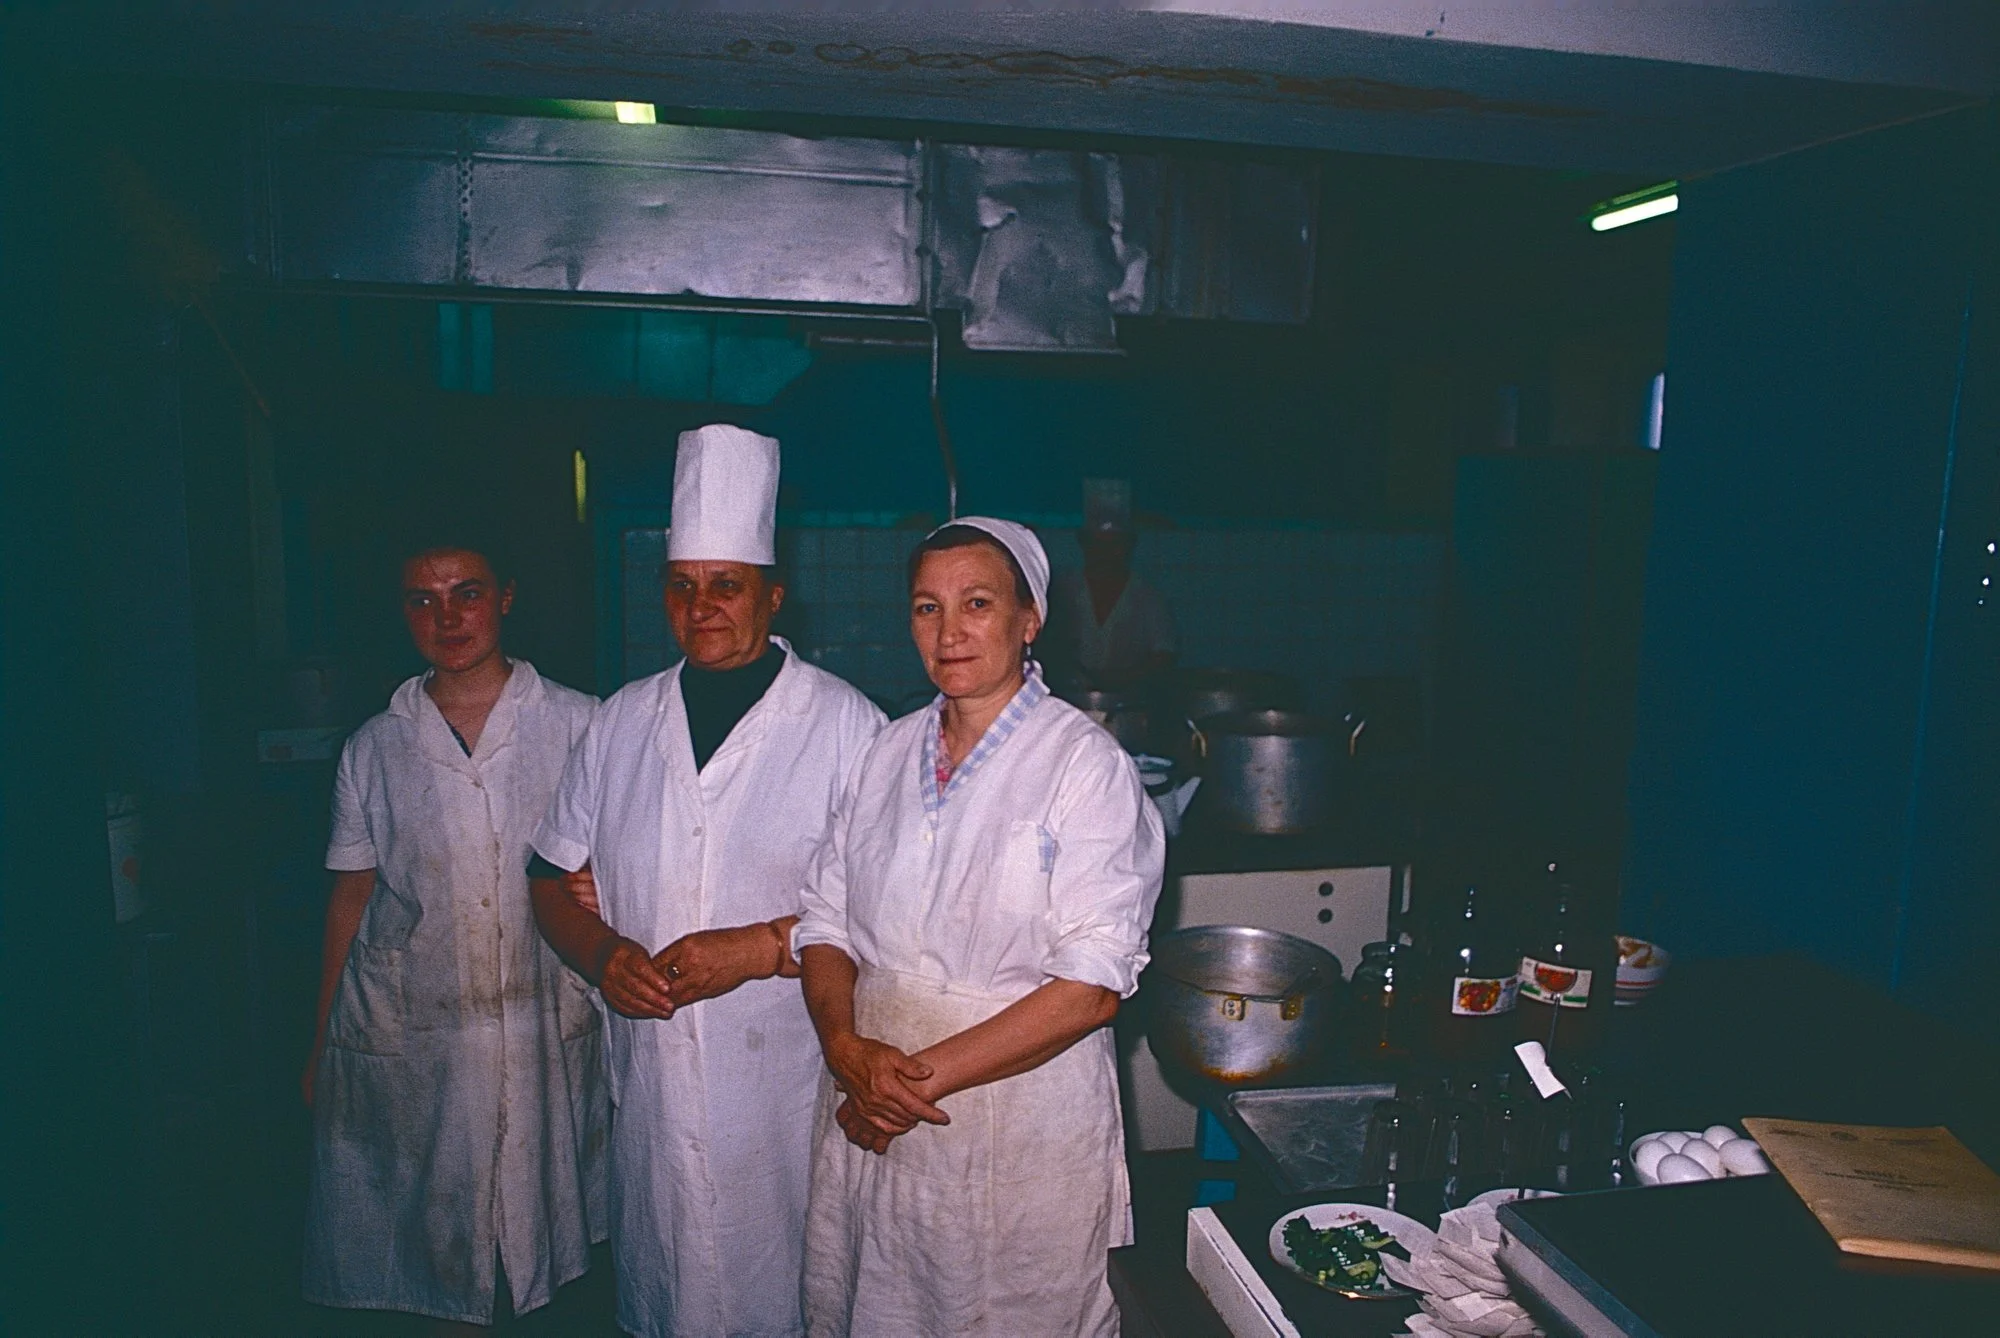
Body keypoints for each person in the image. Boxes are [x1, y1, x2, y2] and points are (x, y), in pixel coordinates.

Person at [529, 424, 884, 1338]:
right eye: (681, 586)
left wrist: (759, 949)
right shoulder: (619, 724)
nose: (702, 608)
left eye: (726, 585)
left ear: (773, 594)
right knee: (667, 1298)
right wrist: (601, 954)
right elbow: (548, 880)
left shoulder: (849, 729)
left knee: (797, 1300)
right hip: (653, 1097)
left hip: (789, 1088)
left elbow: (892, 915)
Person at [796, 518, 1166, 1337]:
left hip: (1015, 1119)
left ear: (1030, 619)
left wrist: (898, 1087)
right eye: (927, 607)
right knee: (879, 1304)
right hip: (872, 1098)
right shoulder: (884, 753)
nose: (949, 631)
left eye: (977, 603)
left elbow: (1091, 989)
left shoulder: (1084, 766)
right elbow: (824, 921)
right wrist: (844, 1049)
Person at [302, 539, 607, 1330]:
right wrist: (322, 1042)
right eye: (422, 600)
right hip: (414, 1025)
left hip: (544, 1010)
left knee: (553, 1246)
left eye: (466, 593)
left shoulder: (583, 724)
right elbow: (351, 895)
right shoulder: (375, 746)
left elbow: (630, 865)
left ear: (505, 597)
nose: (447, 617)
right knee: (422, 1252)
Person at [1044, 482, 1176, 692]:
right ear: (1084, 544)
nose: (1105, 554)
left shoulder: (1147, 596)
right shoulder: (1062, 590)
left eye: (1114, 546)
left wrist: (1125, 679)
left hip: (1128, 701)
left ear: (1128, 546)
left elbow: (1164, 654)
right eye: (1098, 545)